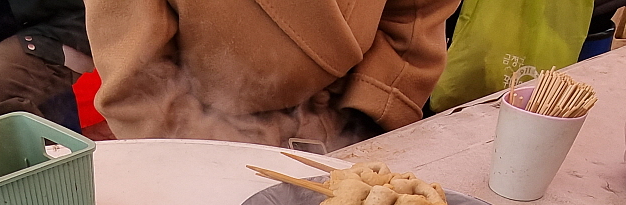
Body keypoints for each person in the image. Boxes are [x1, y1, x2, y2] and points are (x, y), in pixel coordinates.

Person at [83, 0, 462, 151]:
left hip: (356, 132)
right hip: (215, 146)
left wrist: (363, 117)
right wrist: (239, 155)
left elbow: (414, 14)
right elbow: (139, 84)